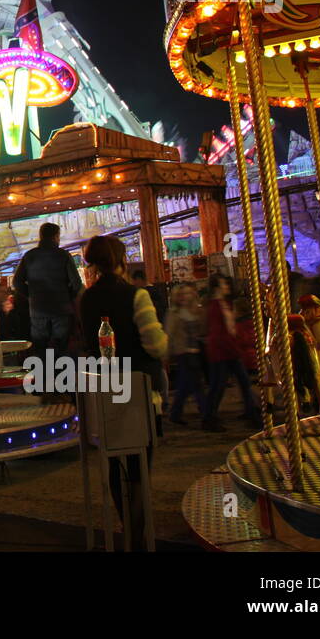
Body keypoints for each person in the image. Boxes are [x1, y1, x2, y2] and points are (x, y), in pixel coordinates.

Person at [78, 235, 168, 550]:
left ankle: (127, 526)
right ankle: (139, 533)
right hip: (140, 389)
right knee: (140, 464)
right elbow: (155, 344)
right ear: (120, 260)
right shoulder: (136, 295)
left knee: (115, 465)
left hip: (105, 388)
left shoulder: (86, 299)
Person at [14, 223, 84, 362]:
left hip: (38, 311)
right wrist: (68, 296)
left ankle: (43, 380)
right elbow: (76, 283)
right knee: (62, 349)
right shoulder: (63, 255)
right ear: (56, 236)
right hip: (61, 309)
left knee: (40, 351)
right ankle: (63, 381)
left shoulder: (29, 256)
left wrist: (31, 295)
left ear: (41, 236)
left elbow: (17, 282)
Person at [201, 274, 259, 431]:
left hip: (228, 349)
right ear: (217, 288)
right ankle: (209, 417)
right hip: (222, 350)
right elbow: (218, 331)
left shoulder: (224, 304)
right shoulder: (215, 306)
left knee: (243, 381)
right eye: (223, 285)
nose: (227, 287)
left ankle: (252, 411)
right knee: (218, 386)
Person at [164, 283, 206, 425]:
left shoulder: (193, 311)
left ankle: (175, 413)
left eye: (186, 294)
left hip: (195, 351)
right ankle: (206, 414)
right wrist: (167, 352)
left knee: (185, 386)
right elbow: (169, 334)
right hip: (183, 352)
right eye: (180, 295)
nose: (183, 297)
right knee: (197, 385)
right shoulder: (173, 313)